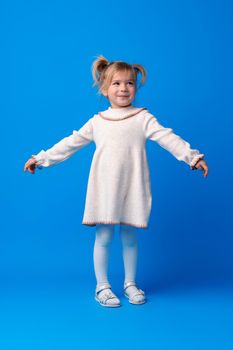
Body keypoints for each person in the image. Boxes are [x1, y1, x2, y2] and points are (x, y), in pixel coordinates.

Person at [24, 55, 209, 308]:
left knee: (130, 237)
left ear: (136, 87)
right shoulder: (97, 122)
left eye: (130, 83)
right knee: (104, 236)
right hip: (104, 188)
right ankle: (102, 286)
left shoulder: (143, 118)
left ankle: (130, 283)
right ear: (104, 88)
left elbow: (168, 138)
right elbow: (70, 143)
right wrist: (41, 158)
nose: (123, 88)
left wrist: (192, 157)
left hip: (133, 186)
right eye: (117, 83)